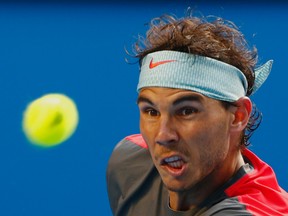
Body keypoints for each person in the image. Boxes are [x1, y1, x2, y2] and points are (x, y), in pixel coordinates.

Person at [106, 11, 288, 216]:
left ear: (238, 116)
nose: (163, 136)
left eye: (186, 111)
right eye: (151, 111)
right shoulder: (129, 162)